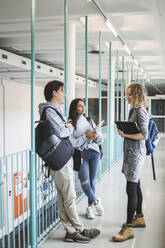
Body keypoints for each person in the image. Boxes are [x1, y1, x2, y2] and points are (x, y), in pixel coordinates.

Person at [38, 80, 100, 243]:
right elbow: (61, 131)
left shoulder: (52, 110)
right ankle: (79, 230)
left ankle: (70, 230)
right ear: (54, 93)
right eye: (62, 91)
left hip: (58, 158)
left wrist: (66, 127)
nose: (64, 94)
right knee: (70, 195)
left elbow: (60, 130)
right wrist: (70, 128)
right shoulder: (50, 110)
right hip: (60, 159)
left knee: (62, 196)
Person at [112, 83, 149, 242]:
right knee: (136, 184)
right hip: (130, 153)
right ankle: (139, 217)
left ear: (136, 95)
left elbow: (144, 135)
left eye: (129, 94)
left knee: (131, 188)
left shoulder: (141, 112)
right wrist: (125, 132)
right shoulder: (132, 110)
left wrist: (125, 135)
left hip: (136, 155)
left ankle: (128, 228)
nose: (126, 96)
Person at [69, 98, 104, 219]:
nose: (83, 108)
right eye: (79, 106)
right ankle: (96, 202)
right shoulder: (71, 123)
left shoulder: (89, 120)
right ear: (74, 108)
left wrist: (96, 136)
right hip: (81, 154)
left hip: (94, 152)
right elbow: (73, 143)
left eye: (83, 106)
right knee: (84, 182)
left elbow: (101, 140)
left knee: (92, 180)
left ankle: (89, 207)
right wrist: (85, 136)